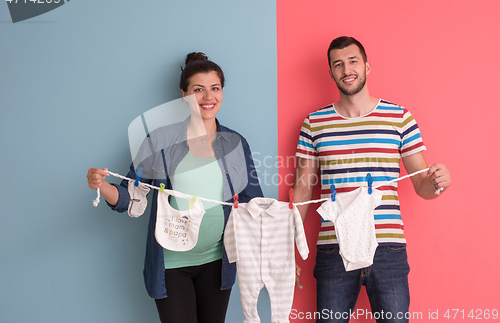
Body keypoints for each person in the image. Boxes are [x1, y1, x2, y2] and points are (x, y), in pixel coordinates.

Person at [87, 52, 263, 323]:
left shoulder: (235, 144)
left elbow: (254, 205)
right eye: (198, 90)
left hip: (219, 263)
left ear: (222, 92)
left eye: (215, 88)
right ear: (184, 95)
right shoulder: (159, 141)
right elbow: (131, 198)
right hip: (172, 265)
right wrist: (102, 186)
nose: (208, 97)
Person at [293, 36, 451, 323]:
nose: (346, 69)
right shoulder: (314, 123)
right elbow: (303, 189)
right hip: (334, 248)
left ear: (367, 66)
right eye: (338, 64)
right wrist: (286, 245)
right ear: (330, 72)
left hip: (387, 247)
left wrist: (437, 182)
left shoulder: (399, 118)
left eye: (353, 61)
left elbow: (422, 185)